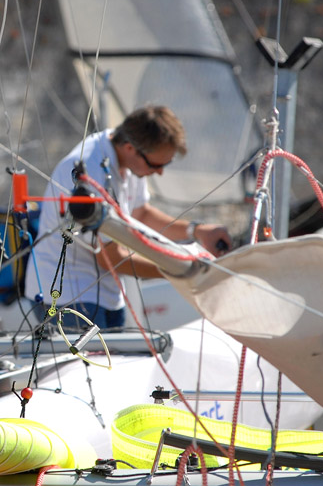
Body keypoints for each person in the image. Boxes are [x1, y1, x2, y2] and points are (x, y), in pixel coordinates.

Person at [24, 105, 232, 331]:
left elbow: (141, 214)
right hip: (68, 297)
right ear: (130, 147)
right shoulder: (89, 170)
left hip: (106, 294)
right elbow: (111, 258)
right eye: (156, 165)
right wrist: (184, 271)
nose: (160, 172)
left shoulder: (131, 162)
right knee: (96, 366)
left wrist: (198, 231)